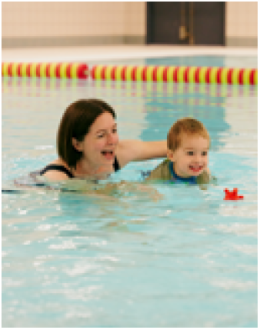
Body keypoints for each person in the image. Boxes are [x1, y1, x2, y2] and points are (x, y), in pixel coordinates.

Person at [39, 98, 167, 182]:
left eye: (114, 130)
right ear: (77, 144)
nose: (113, 141)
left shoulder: (118, 153)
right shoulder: (56, 178)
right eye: (101, 135)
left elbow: (175, 147)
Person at [145, 117, 211, 185]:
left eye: (203, 153)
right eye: (190, 153)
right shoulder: (161, 173)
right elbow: (146, 186)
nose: (198, 160)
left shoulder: (203, 176)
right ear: (172, 156)